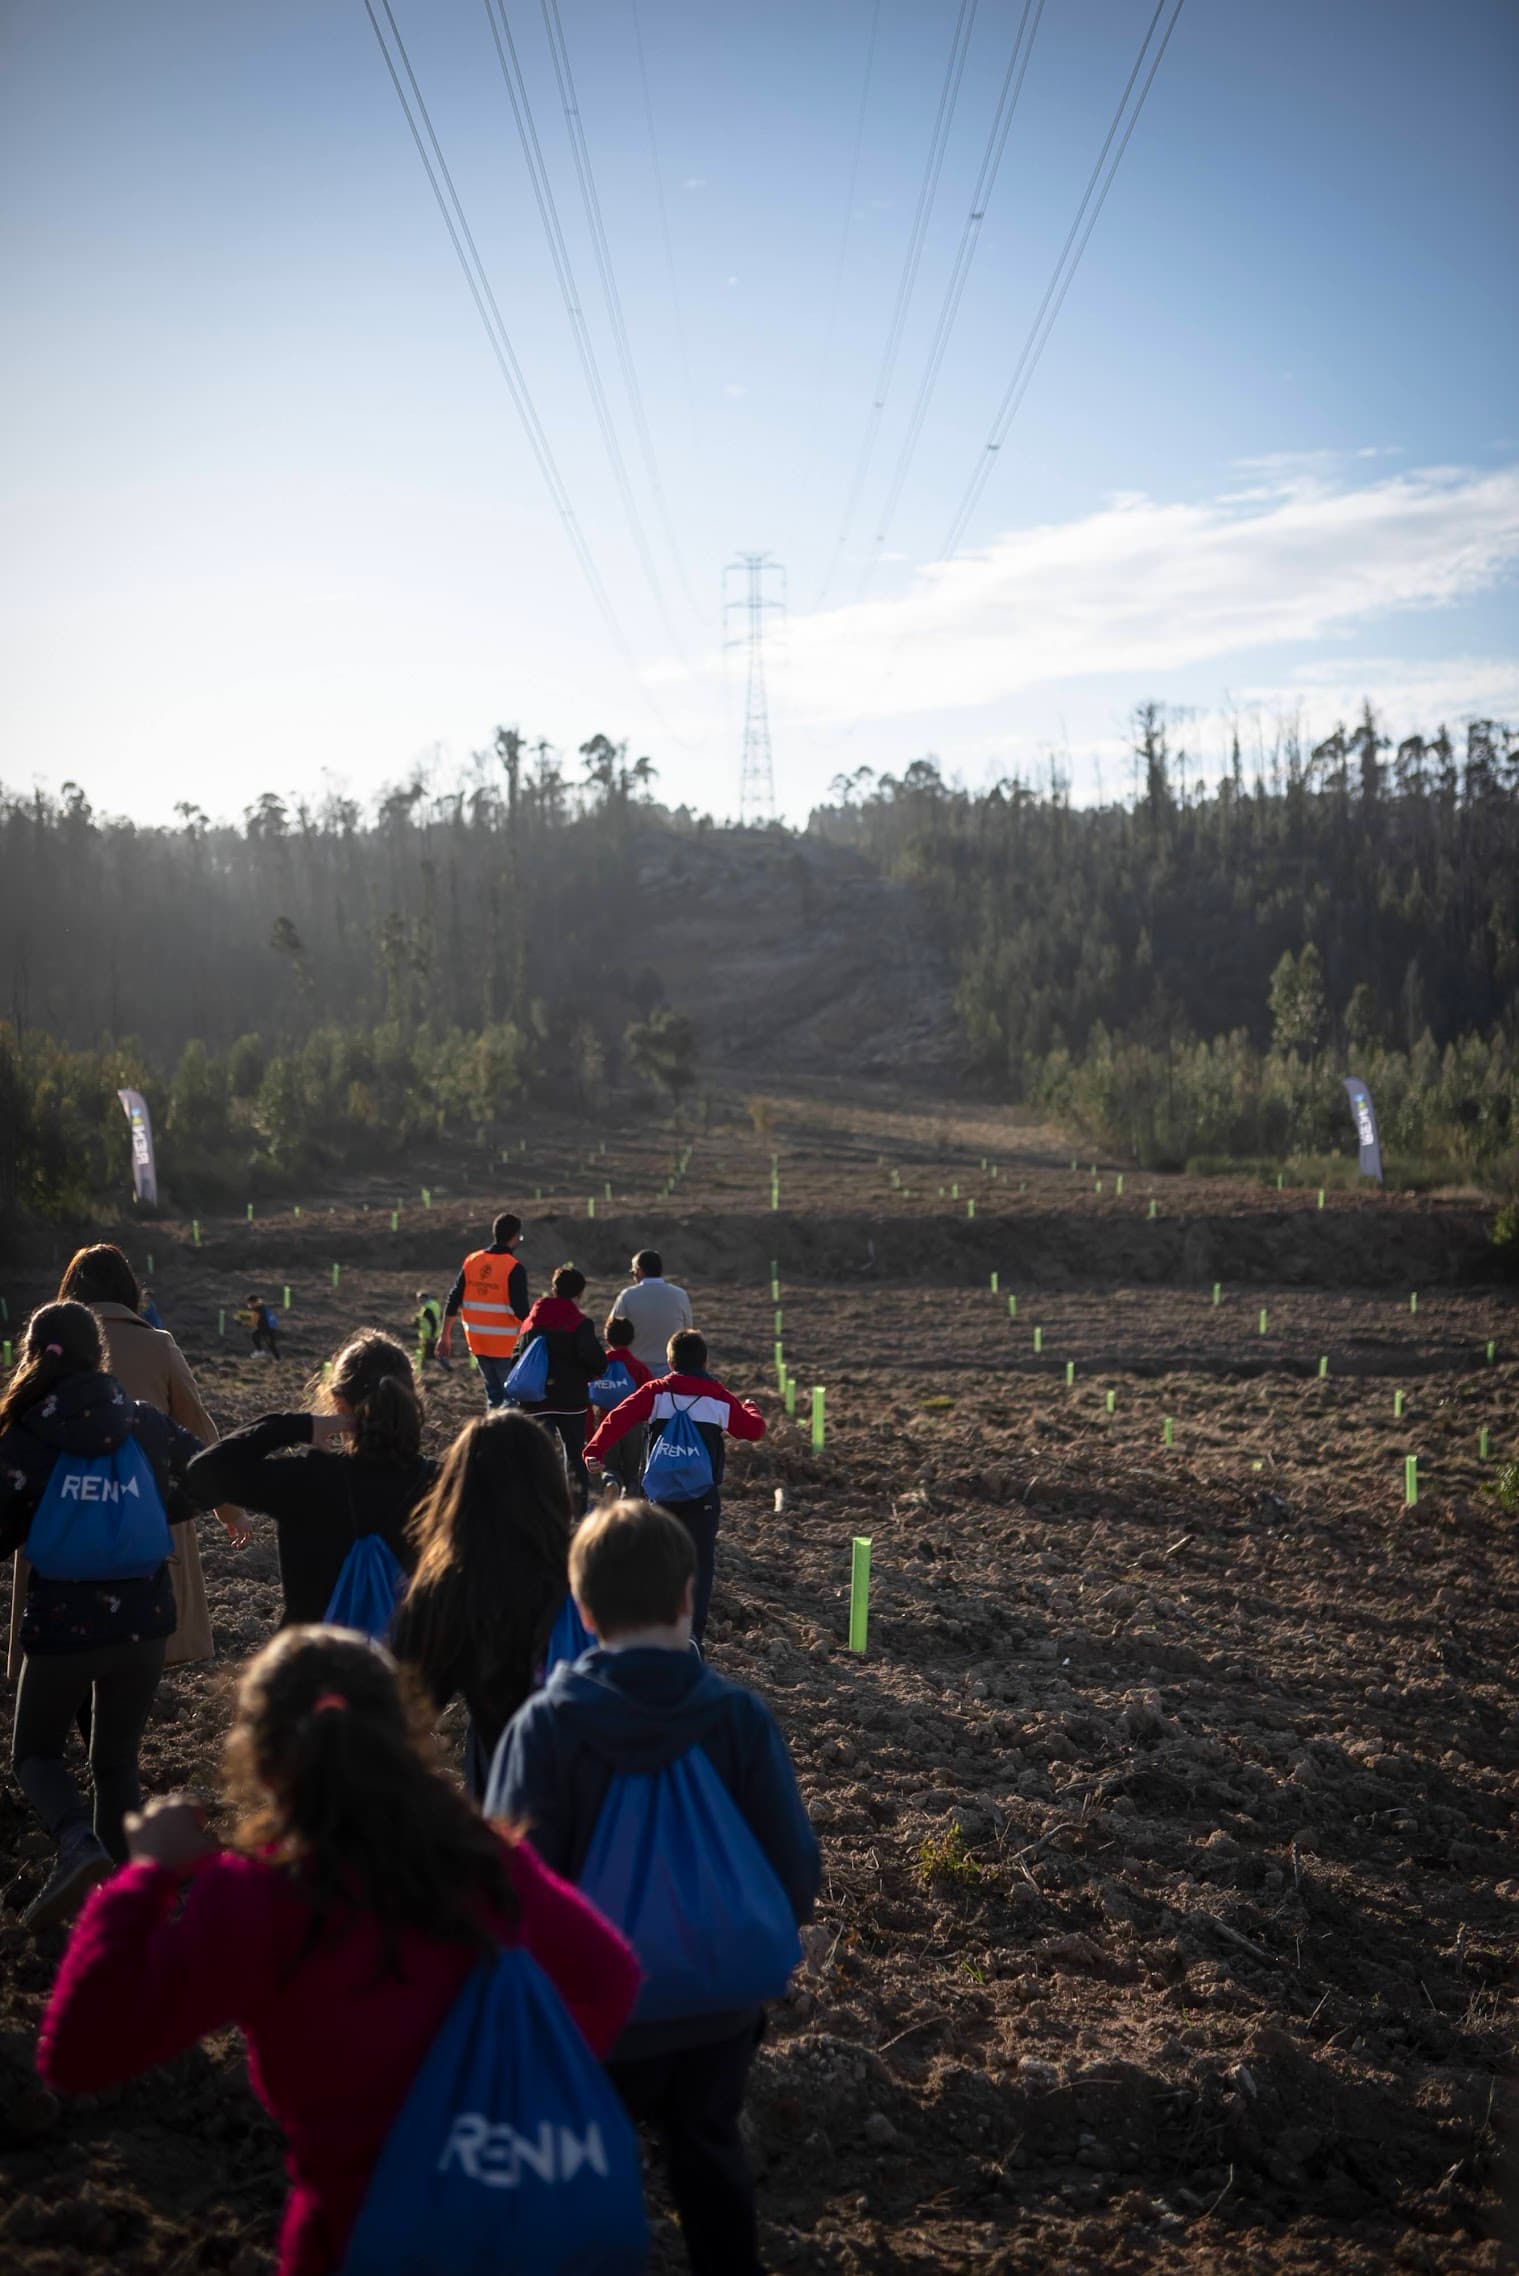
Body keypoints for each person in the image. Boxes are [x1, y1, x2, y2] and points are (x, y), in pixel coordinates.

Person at [37, 1627, 641, 2276]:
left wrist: (146, 1877)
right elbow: (610, 1979)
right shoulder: (483, 1864)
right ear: (403, 1742)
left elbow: (79, 2052)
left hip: (359, 2238)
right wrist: (502, 2086)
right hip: (513, 2224)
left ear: (264, 1766)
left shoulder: (258, 1900)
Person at [488, 1499, 819, 2276]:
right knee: (709, 2150)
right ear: (686, 1596)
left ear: (582, 1609)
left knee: (581, 2169)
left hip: (592, 2012)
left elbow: (513, 1884)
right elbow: (794, 1867)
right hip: (717, 2007)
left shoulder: (547, 1727)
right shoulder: (738, 1718)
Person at [0, 1301, 208, 1932]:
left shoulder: (27, 1433)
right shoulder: (143, 1422)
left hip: (64, 1625)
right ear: (102, 1353)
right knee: (115, 1763)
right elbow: (204, 1476)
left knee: (34, 1754)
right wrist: (145, 1512)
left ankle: (75, 1842)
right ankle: (133, 1907)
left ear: (36, 1356)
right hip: (145, 1622)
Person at [7, 1244, 247, 1693]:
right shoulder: (159, 1346)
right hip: (137, 1521)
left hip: (59, 1521)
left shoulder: (48, 1347)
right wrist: (229, 1509)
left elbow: (17, 1428)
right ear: (129, 1291)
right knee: (129, 1669)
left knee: (52, 1692)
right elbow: (200, 1432)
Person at [184, 1332, 435, 1626]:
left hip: (316, 1663)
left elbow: (204, 1471)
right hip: (411, 1666)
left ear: (338, 1403)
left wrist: (297, 1425)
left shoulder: (307, 1480)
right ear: (412, 1400)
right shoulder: (444, 1484)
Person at [391, 1410, 570, 1797]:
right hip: (612, 1794)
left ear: (461, 1490)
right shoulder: (588, 1567)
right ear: (551, 1484)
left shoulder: (449, 1589)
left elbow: (409, 1712)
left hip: (516, 1792)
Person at [586, 1329, 764, 1643]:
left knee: (658, 1561)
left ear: (670, 1362)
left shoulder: (656, 1392)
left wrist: (595, 1450)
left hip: (659, 1494)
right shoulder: (717, 1397)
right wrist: (751, 1409)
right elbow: (752, 1431)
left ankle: (654, 1628)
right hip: (702, 1496)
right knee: (700, 1565)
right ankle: (692, 1635)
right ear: (705, 1361)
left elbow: (617, 1418)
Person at [513, 1266, 606, 1513]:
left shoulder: (533, 1318)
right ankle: (577, 1508)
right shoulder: (579, 1322)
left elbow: (517, 1354)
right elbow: (592, 1357)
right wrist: (592, 1373)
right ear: (580, 1293)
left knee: (537, 1456)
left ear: (554, 1288)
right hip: (570, 1400)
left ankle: (535, 1506)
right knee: (575, 1455)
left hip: (534, 1399)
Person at [441, 1212, 529, 1409]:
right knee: (512, 1401)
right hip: (506, 1347)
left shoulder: (472, 1261)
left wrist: (444, 1336)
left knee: (494, 1398)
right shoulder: (513, 1268)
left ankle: (494, 1436)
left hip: (478, 1343)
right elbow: (521, 1311)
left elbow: (453, 1299)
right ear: (514, 1237)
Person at [592, 1315, 652, 1495]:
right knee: (632, 1473)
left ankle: (611, 1481)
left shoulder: (598, 1364)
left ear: (607, 1337)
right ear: (632, 1338)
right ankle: (630, 1499)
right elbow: (650, 1397)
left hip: (606, 1423)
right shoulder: (638, 1367)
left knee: (609, 1466)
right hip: (632, 1426)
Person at [610, 1249, 693, 1373]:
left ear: (639, 1271)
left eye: (633, 1272)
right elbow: (687, 1331)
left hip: (634, 1371)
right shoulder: (679, 1295)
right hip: (671, 1370)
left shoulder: (627, 1296)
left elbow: (613, 1334)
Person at [412, 1290, 448, 1370]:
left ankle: (423, 1369)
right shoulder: (434, 1304)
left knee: (429, 1354)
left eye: (419, 1299)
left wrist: (431, 1335)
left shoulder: (427, 1309)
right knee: (437, 1353)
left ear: (424, 1298)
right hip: (434, 1334)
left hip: (429, 1335)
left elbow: (432, 1323)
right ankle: (445, 1367)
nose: (418, 1301)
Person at [244, 1294, 282, 1362]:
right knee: (271, 1345)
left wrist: (243, 1322)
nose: (249, 1305)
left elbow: (254, 1320)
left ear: (254, 1302)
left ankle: (260, 1351)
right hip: (270, 1328)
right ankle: (278, 1359)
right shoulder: (261, 1308)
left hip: (267, 1329)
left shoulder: (259, 1309)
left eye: (250, 1303)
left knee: (255, 1336)